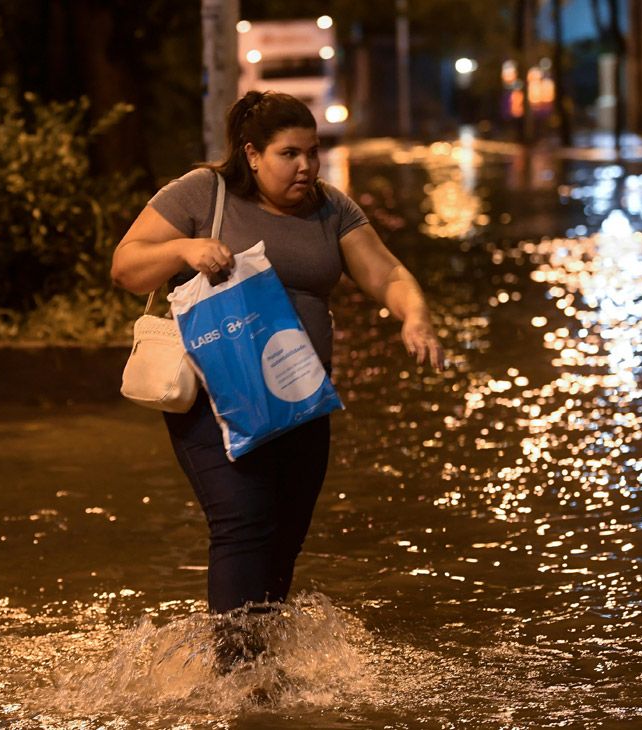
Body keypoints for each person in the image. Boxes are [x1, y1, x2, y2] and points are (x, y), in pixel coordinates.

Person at [110, 91, 442, 665]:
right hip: (213, 403)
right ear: (253, 154)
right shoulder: (202, 193)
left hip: (299, 400)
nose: (306, 167)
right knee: (244, 525)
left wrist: (415, 314)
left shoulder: (330, 208)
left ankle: (258, 674)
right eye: (290, 154)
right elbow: (125, 263)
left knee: (282, 541)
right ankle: (236, 680)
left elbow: (384, 271)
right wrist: (185, 248)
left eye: (313, 152)